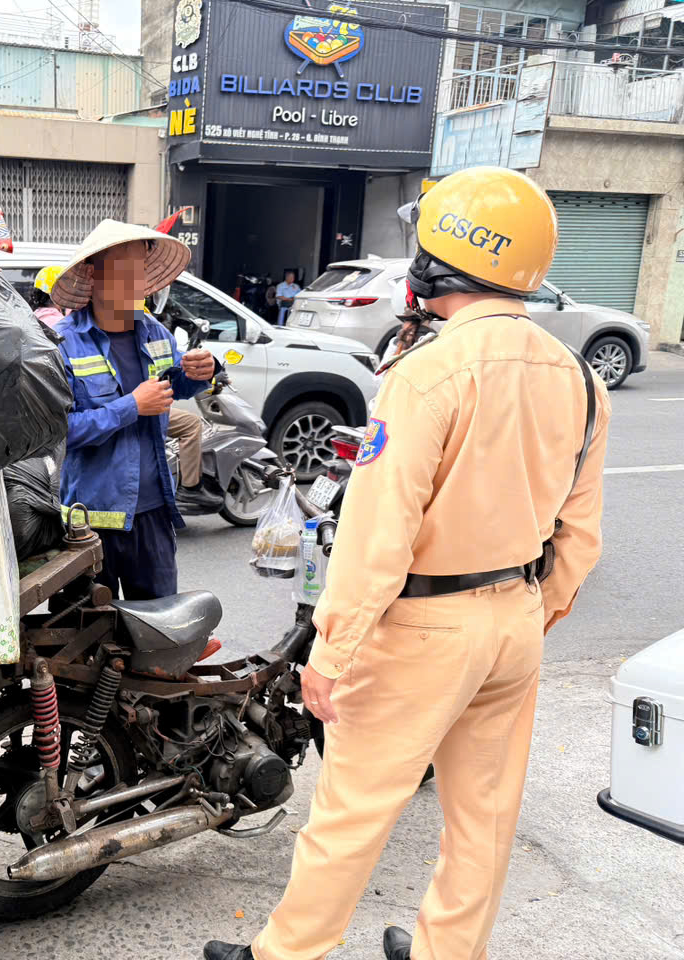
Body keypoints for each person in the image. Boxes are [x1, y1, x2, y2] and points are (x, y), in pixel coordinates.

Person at [205, 166, 610, 960]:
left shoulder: (429, 371)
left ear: (444, 256)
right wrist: (529, 614)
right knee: (484, 819)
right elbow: (580, 534)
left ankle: (286, 954)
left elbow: (379, 533)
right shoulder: (580, 378)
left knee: (353, 812)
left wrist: (334, 648)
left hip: (422, 627)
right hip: (513, 622)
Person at [48, 219, 219, 600]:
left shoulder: (154, 332)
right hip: (88, 523)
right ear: (93, 275)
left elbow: (174, 385)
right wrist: (131, 407)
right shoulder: (63, 344)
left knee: (159, 626)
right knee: (90, 629)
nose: (136, 281)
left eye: (141, 269)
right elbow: (58, 433)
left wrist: (201, 373)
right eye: (124, 269)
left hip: (154, 513)